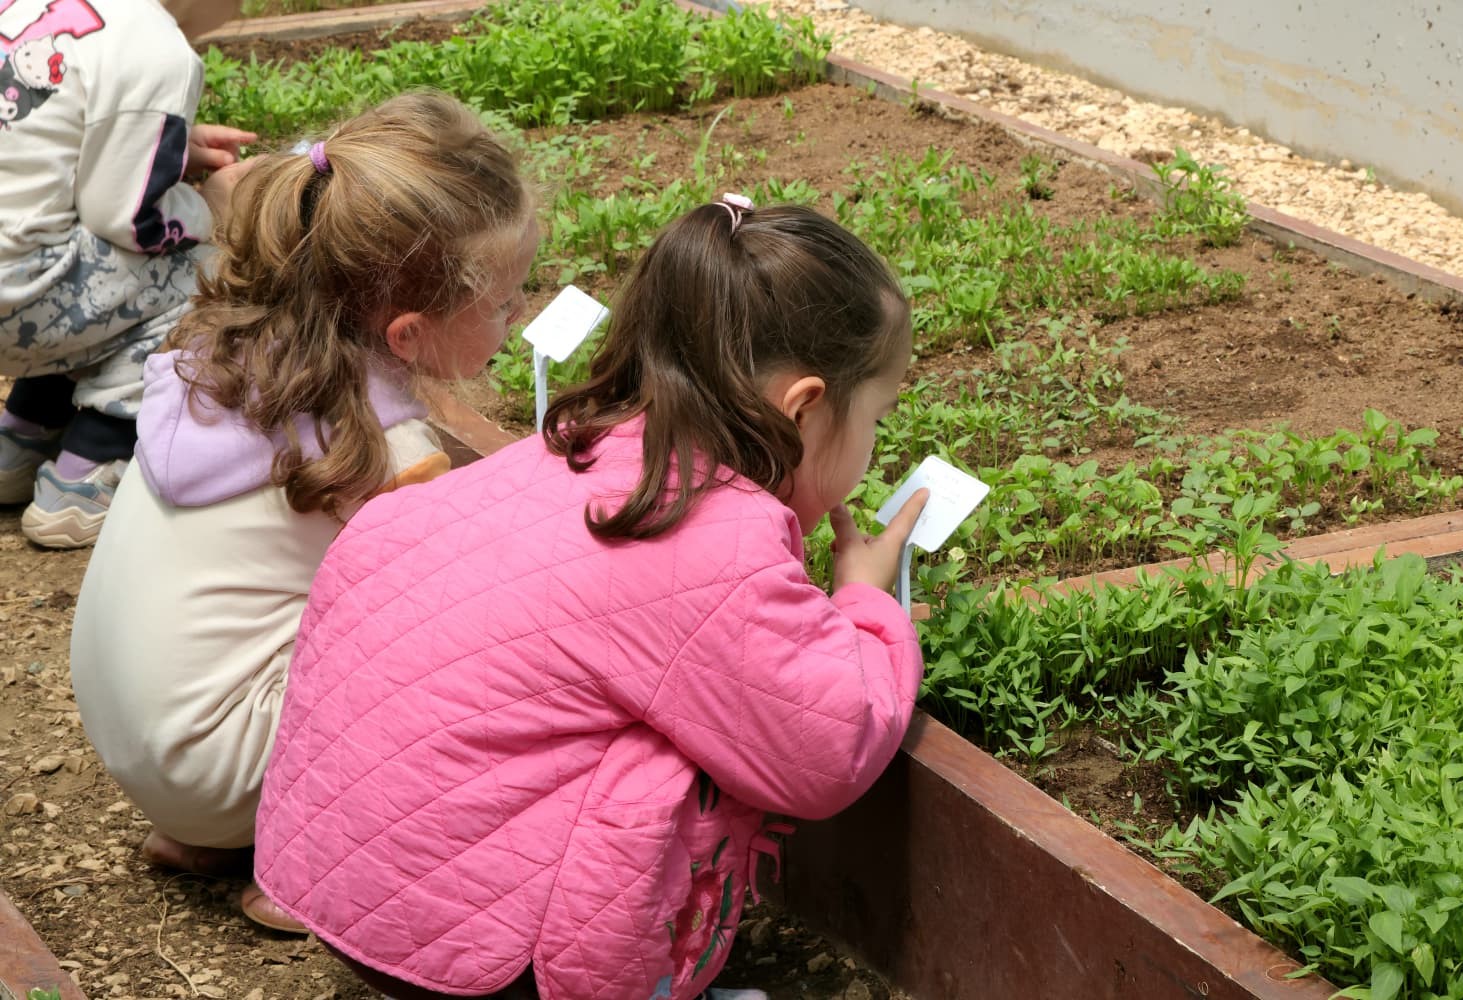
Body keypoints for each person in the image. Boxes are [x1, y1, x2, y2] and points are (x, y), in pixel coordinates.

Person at [252, 197, 930, 1000]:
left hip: (345, 893)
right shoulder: (713, 536)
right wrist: (860, 606)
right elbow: (829, 748)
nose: (877, 441)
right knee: (700, 741)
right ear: (806, 406)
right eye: (879, 416)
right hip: (482, 960)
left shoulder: (563, 457)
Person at [69, 91, 539, 934]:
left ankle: (213, 836)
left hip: (138, 734)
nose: (515, 318)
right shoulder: (386, 452)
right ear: (407, 335)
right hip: (214, 762)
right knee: (461, 659)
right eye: (503, 302)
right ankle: (306, 865)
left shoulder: (223, 354)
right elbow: (465, 620)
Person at [0, 0, 255, 548]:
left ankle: (23, 436)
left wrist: (167, 149)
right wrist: (213, 205)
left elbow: (43, 148)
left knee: (67, 251)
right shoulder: (157, 46)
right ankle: (88, 469)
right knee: (209, 271)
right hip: (17, 297)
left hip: (13, 283)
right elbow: (127, 221)